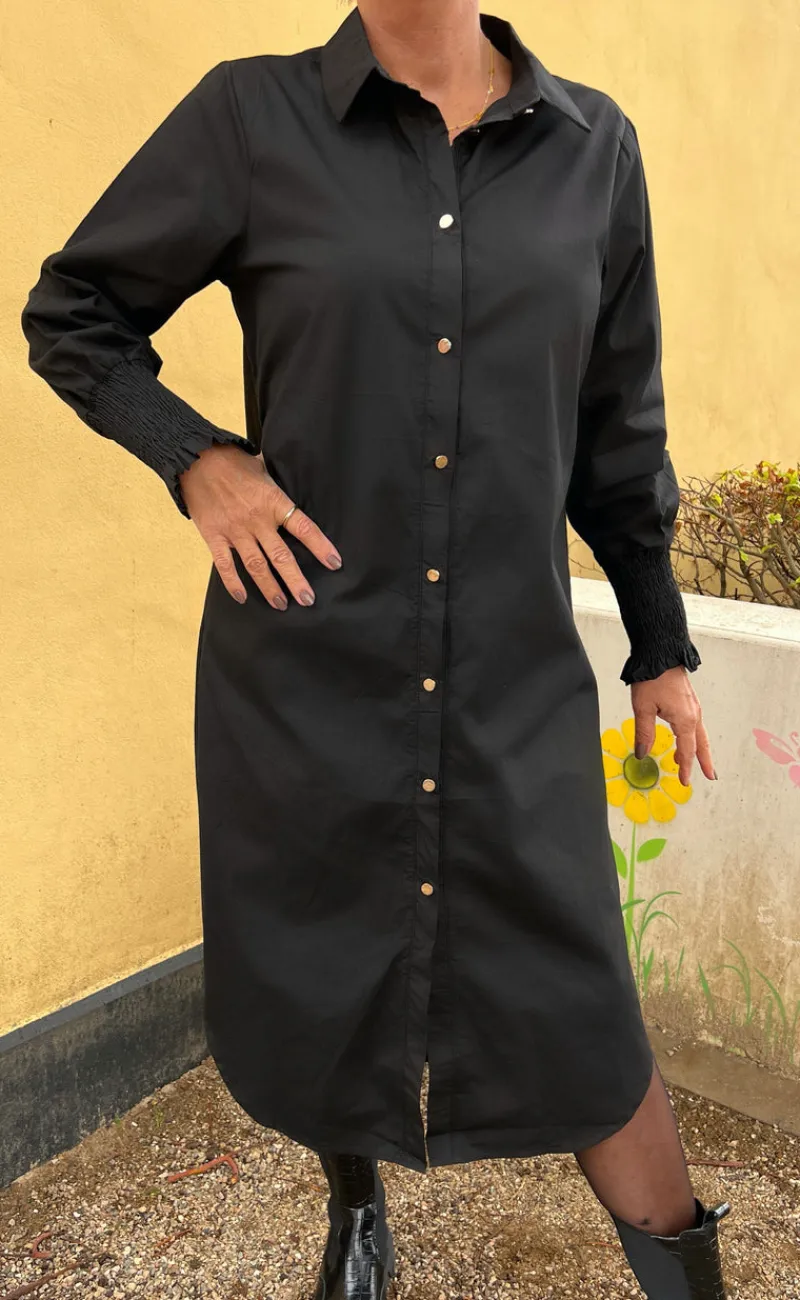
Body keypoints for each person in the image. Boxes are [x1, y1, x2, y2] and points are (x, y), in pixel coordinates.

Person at [20, 1, 733, 1296]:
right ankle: (355, 1204)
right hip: (309, 671)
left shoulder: (594, 150)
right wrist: (198, 460)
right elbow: (75, 311)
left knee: (584, 1006)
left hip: (515, 685)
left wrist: (661, 648)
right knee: (327, 971)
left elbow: (619, 431)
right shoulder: (252, 116)